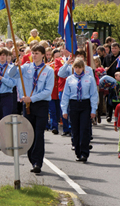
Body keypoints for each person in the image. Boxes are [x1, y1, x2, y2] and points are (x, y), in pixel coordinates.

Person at [10, 45, 54, 174]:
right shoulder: (26, 67)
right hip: (28, 106)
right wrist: (15, 65)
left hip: (40, 104)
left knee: (39, 133)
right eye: (33, 53)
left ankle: (37, 162)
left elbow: (48, 91)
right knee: (29, 133)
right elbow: (11, 75)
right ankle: (31, 158)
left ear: (43, 55)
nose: (34, 55)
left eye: (37, 53)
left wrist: (32, 98)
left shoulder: (48, 71)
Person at [61, 59, 98, 162]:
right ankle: (78, 151)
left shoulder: (89, 79)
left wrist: (93, 109)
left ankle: (84, 153)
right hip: (74, 104)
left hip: (85, 104)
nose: (77, 69)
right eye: (76, 67)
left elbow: (93, 94)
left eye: (80, 67)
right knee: (75, 129)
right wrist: (64, 110)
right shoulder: (70, 79)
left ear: (83, 68)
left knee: (84, 129)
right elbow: (66, 95)